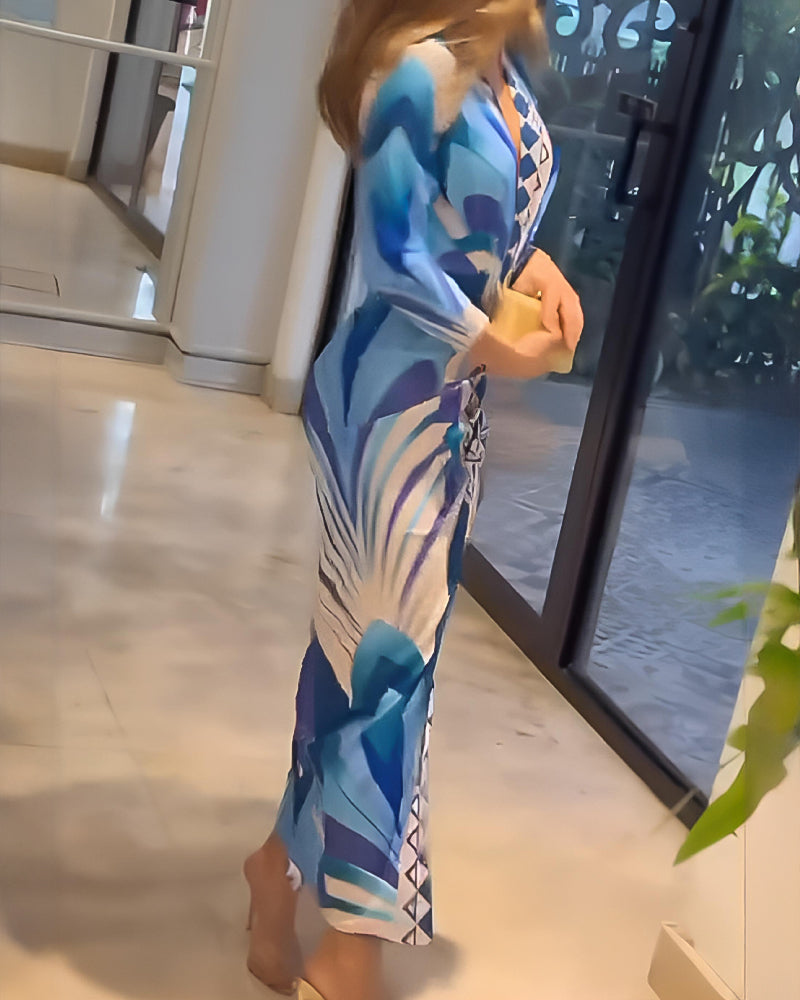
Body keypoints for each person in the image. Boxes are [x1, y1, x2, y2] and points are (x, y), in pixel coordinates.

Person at [244, 2, 583, 998]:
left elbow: (471, 223)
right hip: (388, 406)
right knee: (387, 673)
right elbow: (393, 256)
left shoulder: (503, 74)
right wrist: (493, 345)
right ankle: (352, 947)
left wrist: (536, 270)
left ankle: (277, 868)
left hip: (449, 414)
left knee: (366, 664)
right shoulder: (416, 68)